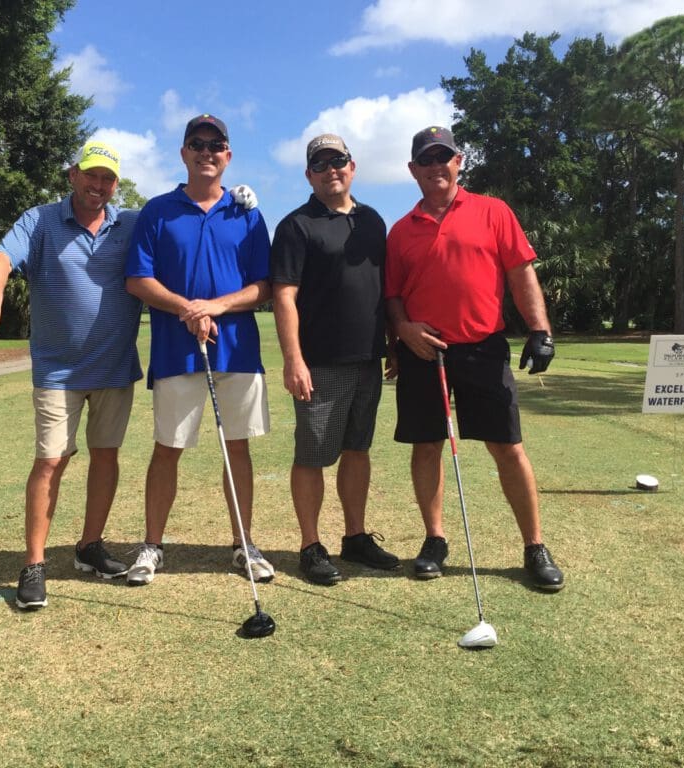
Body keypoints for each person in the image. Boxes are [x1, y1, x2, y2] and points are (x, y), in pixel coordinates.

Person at [0, 138, 258, 610]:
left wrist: (240, 197)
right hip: (58, 369)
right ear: (73, 175)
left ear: (115, 185)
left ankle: (89, 545)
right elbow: (1, 258)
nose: (98, 185)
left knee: (107, 457)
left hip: (114, 367)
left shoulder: (130, 222)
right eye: (91, 175)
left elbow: (185, 215)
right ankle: (35, 564)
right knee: (51, 461)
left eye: (107, 178)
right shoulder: (39, 220)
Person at [385, 126, 564, 591]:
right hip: (426, 352)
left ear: (459, 161)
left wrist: (540, 330)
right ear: (413, 170)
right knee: (427, 446)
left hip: (484, 349)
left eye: (443, 157)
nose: (435, 166)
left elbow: (521, 273)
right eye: (426, 160)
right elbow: (393, 297)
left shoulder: (493, 211)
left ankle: (534, 546)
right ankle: (435, 540)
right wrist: (402, 331)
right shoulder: (401, 230)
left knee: (507, 448)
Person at [124, 114, 274, 587]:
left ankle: (243, 543)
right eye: (197, 144)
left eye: (216, 145)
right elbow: (138, 279)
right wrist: (189, 309)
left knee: (238, 449)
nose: (206, 152)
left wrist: (216, 305)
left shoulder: (246, 212)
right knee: (168, 448)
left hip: (237, 350)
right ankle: (152, 544)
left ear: (228, 155)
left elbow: (264, 286)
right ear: (184, 153)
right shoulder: (158, 210)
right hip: (177, 349)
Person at [270, 134, 399, 586]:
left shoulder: (372, 221)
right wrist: (293, 360)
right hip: (319, 362)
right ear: (309, 175)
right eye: (321, 165)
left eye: (338, 161)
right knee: (311, 455)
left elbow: (384, 289)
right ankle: (310, 545)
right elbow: (284, 296)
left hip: (367, 359)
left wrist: (394, 343)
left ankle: (356, 537)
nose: (332, 171)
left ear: (353, 165)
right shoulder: (296, 225)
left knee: (357, 450)